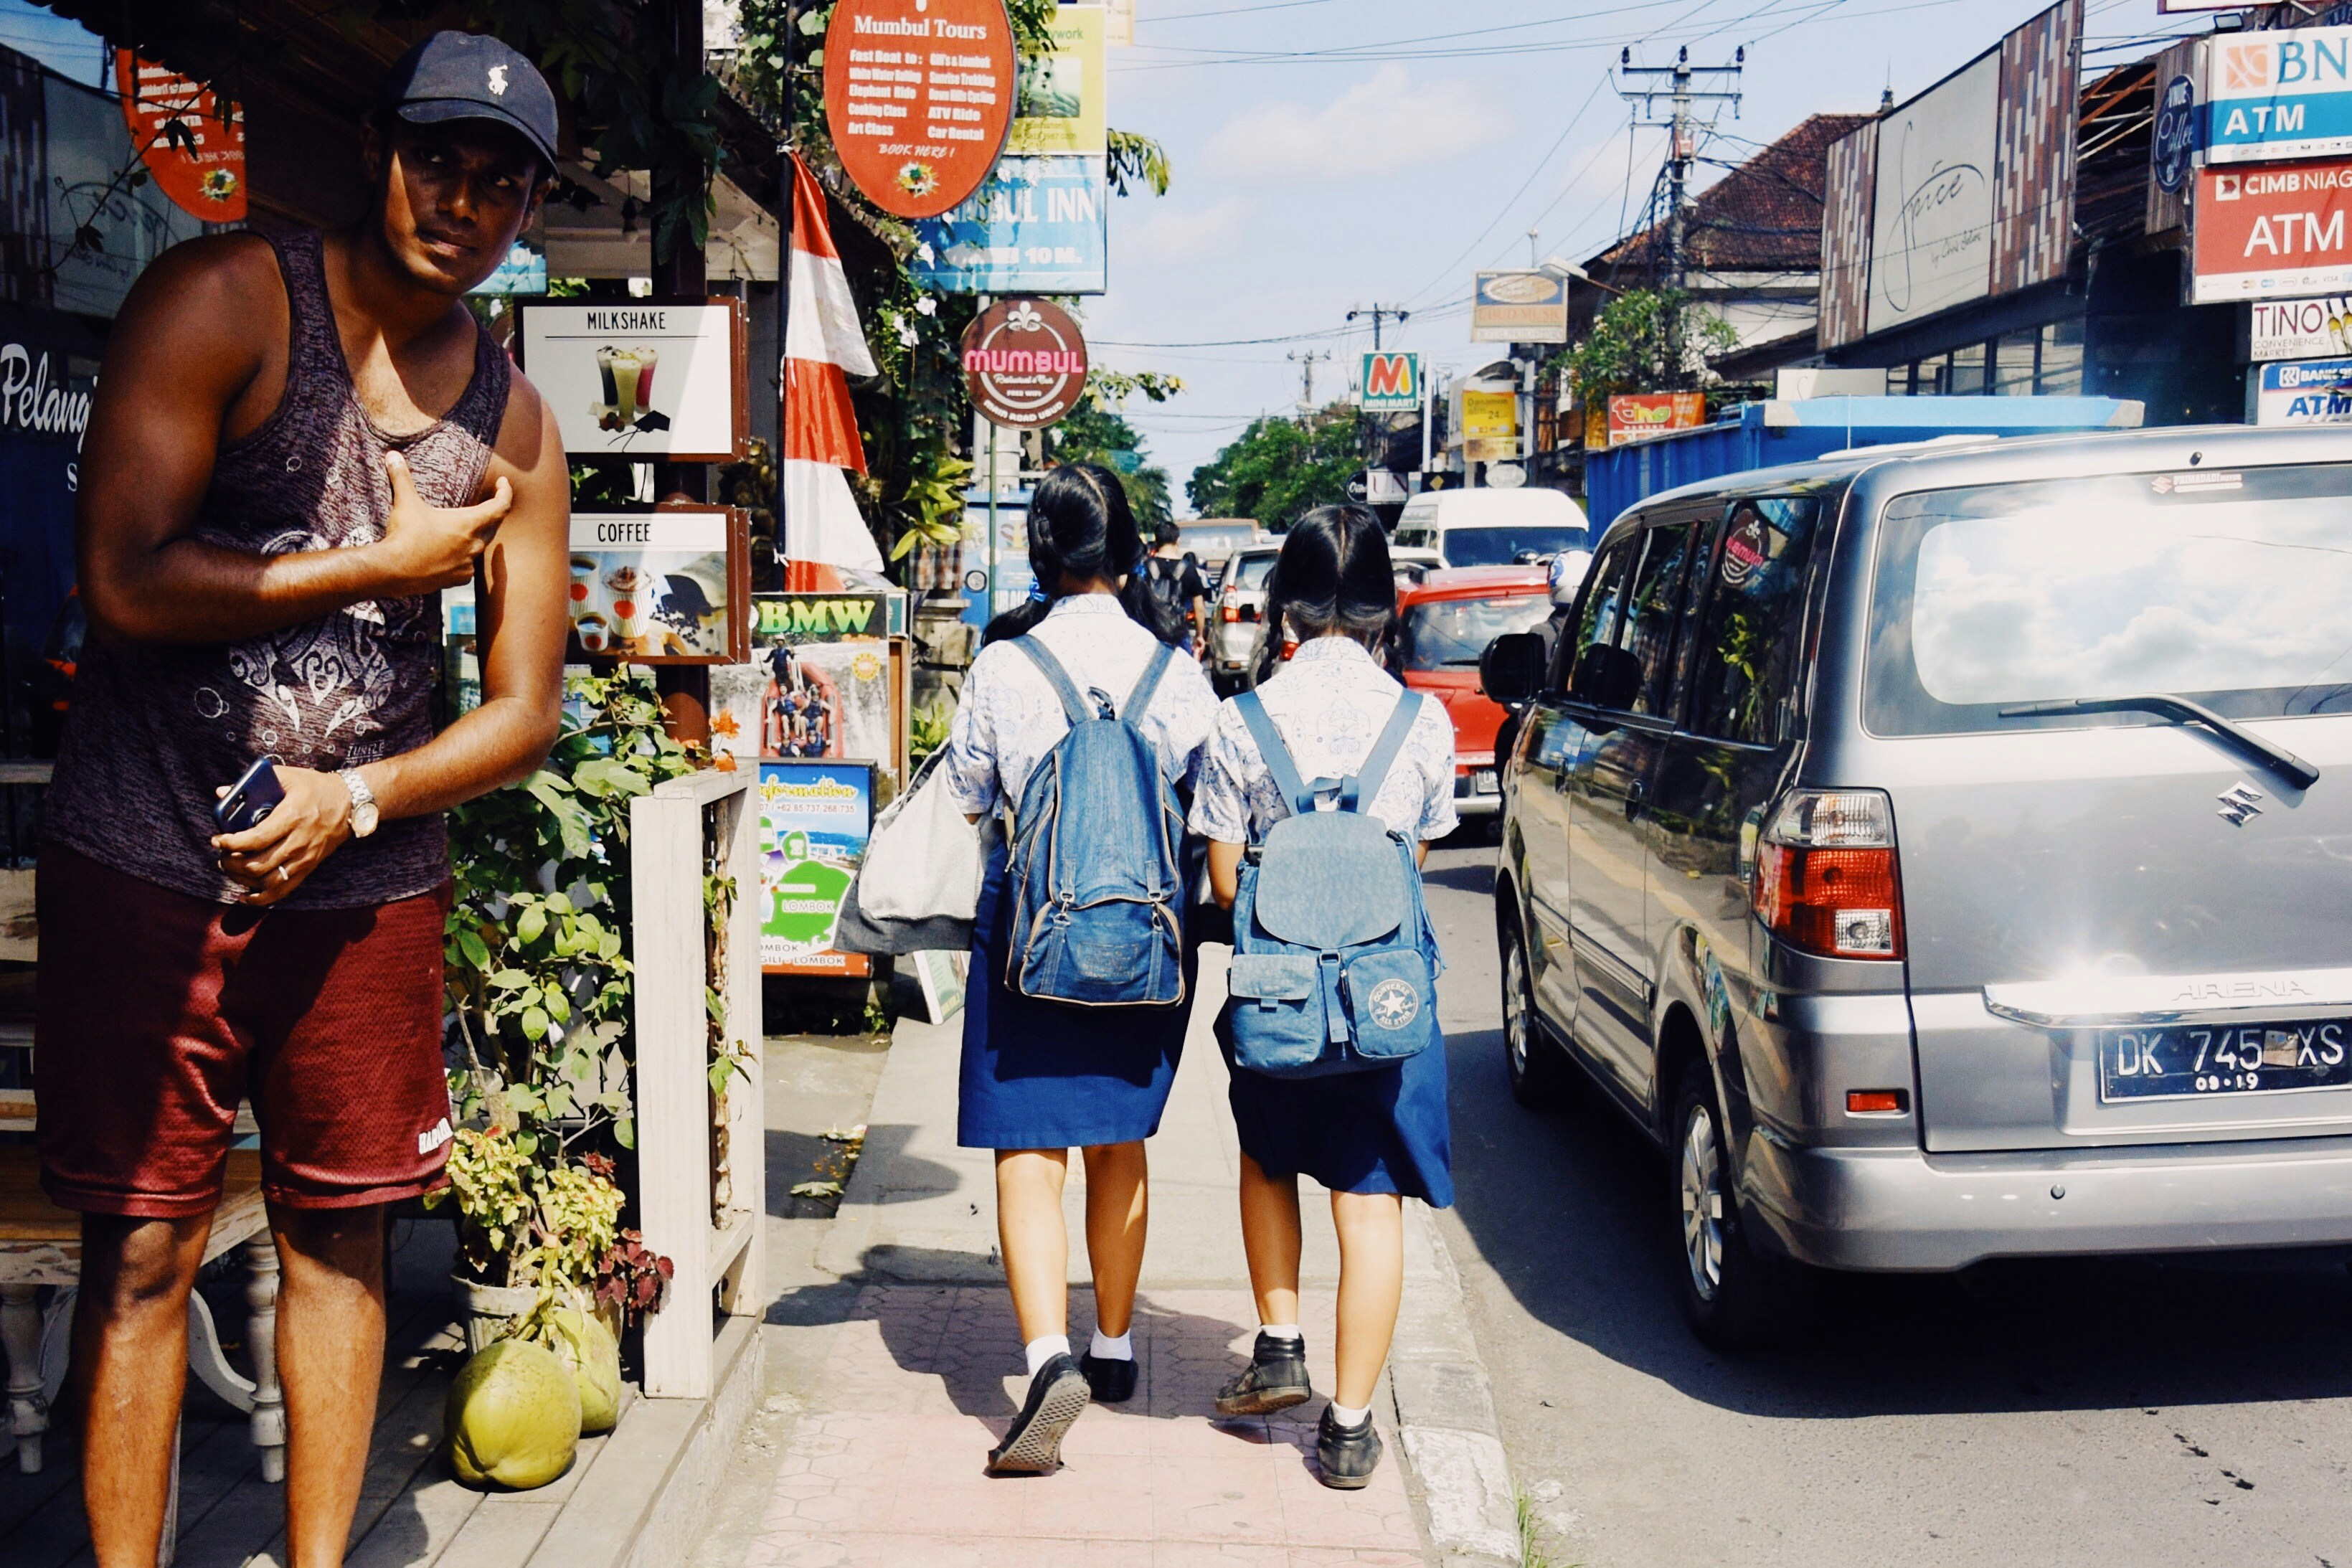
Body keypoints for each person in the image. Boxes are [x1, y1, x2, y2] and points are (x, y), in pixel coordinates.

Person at [36, 32, 571, 1567]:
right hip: (150, 859)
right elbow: (124, 579)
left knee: (345, 1242)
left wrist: (359, 799)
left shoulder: (517, 424)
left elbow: (525, 710)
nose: (457, 200)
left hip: (363, 894)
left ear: (527, 207)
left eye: (496, 181)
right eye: (434, 160)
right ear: (375, 154)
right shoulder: (224, 301)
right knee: (143, 1250)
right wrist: (382, 567)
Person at [944, 464, 1218, 1475]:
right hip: (1144, 940)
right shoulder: (1172, 668)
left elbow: (970, 796)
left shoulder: (1002, 665)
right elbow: (1206, 798)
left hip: (1030, 933)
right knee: (1118, 1139)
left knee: (1027, 1148)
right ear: (1131, 545)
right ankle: (1111, 1344)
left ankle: (1044, 1352)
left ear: (1042, 549)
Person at [1189, 506, 1458, 1490]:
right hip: (1385, 1002)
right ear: (1385, 601)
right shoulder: (1420, 719)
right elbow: (1413, 862)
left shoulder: (1240, 718)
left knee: (1266, 1158)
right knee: (1369, 1198)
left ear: (1284, 603)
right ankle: (1347, 1430)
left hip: (1277, 992)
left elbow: (1224, 884)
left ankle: (1277, 1339)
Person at [1143, 521, 1211, 656]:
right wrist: (1199, 635)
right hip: (1178, 635)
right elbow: (1199, 608)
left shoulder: (1145, 568)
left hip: (1150, 634)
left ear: (1156, 541)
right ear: (1178, 541)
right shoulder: (1189, 570)